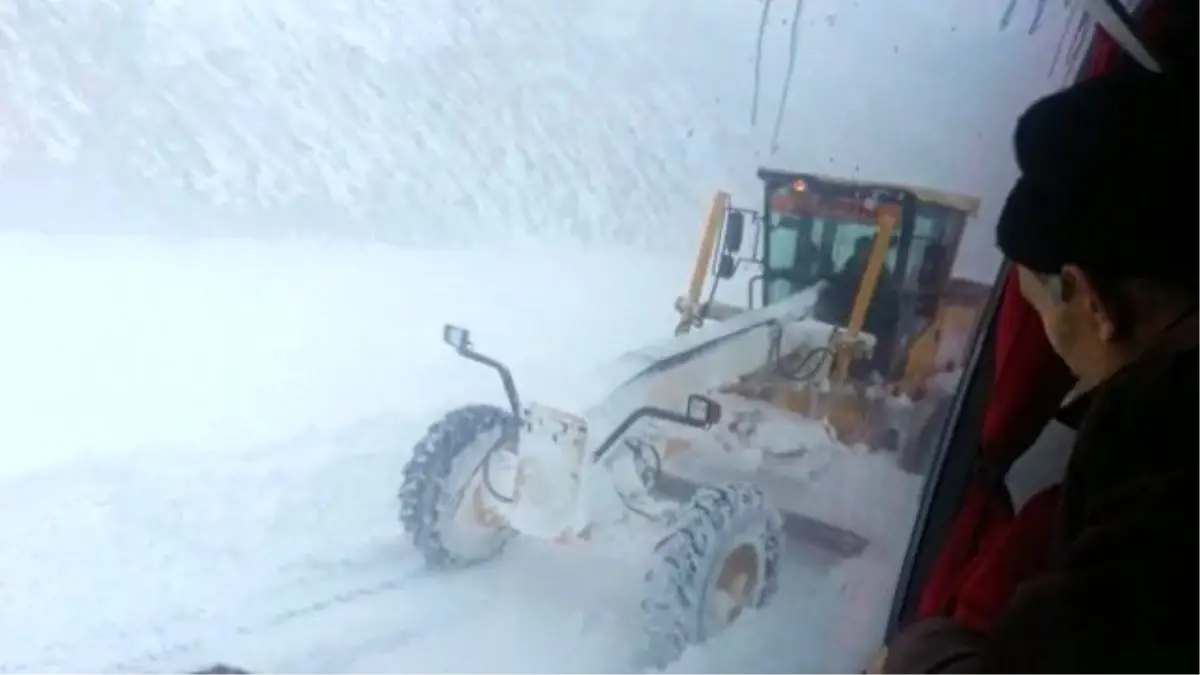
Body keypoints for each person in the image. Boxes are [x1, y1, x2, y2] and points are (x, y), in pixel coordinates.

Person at [875, 69, 1200, 674]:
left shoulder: (1162, 481)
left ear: (1091, 302)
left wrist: (913, 656)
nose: (1047, 336)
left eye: (1041, 307)